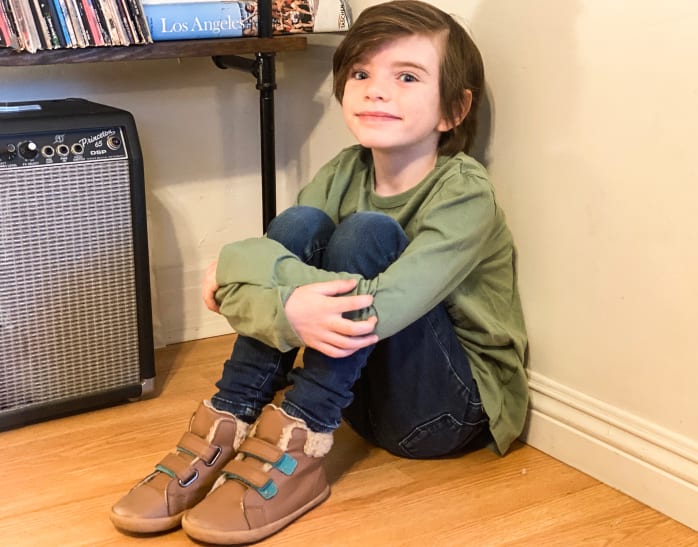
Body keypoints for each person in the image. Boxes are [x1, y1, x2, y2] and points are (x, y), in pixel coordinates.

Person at [109, 1, 528, 544]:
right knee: (302, 223)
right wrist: (274, 295)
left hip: (448, 412)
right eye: (361, 73)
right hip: (358, 403)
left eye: (406, 76)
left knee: (365, 234)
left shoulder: (464, 193)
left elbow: (378, 309)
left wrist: (239, 272)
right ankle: (226, 420)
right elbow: (272, 270)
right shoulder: (343, 170)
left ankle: (298, 445)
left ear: (454, 109)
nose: (376, 89)